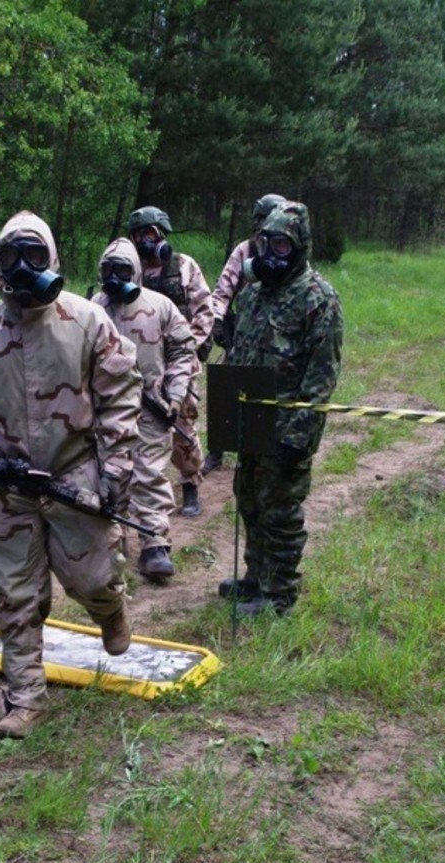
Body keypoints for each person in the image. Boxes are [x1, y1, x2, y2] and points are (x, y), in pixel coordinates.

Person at [0, 210, 142, 739]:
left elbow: (121, 395)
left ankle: (111, 610)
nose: (23, 267)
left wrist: (115, 470)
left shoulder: (86, 321)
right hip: (8, 484)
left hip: (74, 476)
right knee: (15, 593)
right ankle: (25, 699)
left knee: (92, 578)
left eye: (34, 255)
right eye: (12, 255)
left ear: (51, 257)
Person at [223, 201, 343, 616]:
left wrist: (299, 435)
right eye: (266, 243)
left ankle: (279, 594)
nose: (271, 254)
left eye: (281, 245)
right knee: (249, 500)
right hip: (251, 419)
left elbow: (322, 376)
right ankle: (255, 577)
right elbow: (239, 353)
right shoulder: (253, 294)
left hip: (287, 425)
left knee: (280, 511)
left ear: (299, 246)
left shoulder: (318, 298)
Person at [92, 237, 198, 582]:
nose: (114, 278)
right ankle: (114, 542)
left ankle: (155, 543)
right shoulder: (92, 309)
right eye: (108, 270)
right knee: (110, 473)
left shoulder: (160, 306)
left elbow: (183, 351)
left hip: (151, 409)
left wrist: (175, 395)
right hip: (105, 409)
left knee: (149, 473)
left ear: (136, 271)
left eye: (122, 270)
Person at [127, 206, 215, 518]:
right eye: (138, 235)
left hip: (180, 364)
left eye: (149, 234)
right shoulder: (129, 271)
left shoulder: (183, 266)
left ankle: (190, 484)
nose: (144, 241)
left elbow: (205, 312)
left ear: (161, 234)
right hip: (142, 365)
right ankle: (138, 488)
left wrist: (184, 348)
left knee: (183, 427)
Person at [201, 193, 286, 476]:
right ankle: (216, 451)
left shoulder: (289, 251)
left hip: (279, 335)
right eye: (264, 221)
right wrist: (217, 321)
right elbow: (223, 290)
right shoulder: (246, 250)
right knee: (225, 389)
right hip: (244, 333)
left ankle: (264, 453)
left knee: (274, 393)